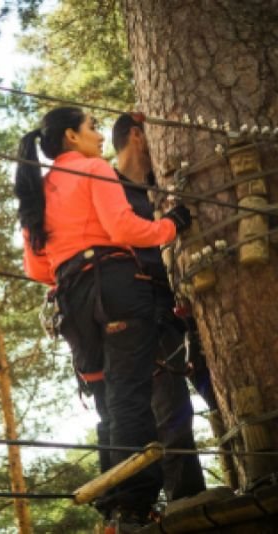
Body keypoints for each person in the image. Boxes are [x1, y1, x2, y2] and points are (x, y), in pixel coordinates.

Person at [15, 106, 192, 532]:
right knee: (129, 394)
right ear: (71, 136)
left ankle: (117, 506)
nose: (98, 136)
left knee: (107, 401)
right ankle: (134, 505)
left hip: (71, 301)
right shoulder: (93, 168)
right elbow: (124, 228)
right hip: (116, 288)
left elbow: (36, 269)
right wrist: (170, 226)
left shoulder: (38, 189)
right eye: (92, 127)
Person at [109, 112, 218, 502]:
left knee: (220, 391)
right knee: (171, 413)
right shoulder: (108, 190)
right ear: (138, 136)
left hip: (189, 304)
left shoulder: (162, 185)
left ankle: (257, 473)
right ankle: (188, 504)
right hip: (145, 312)